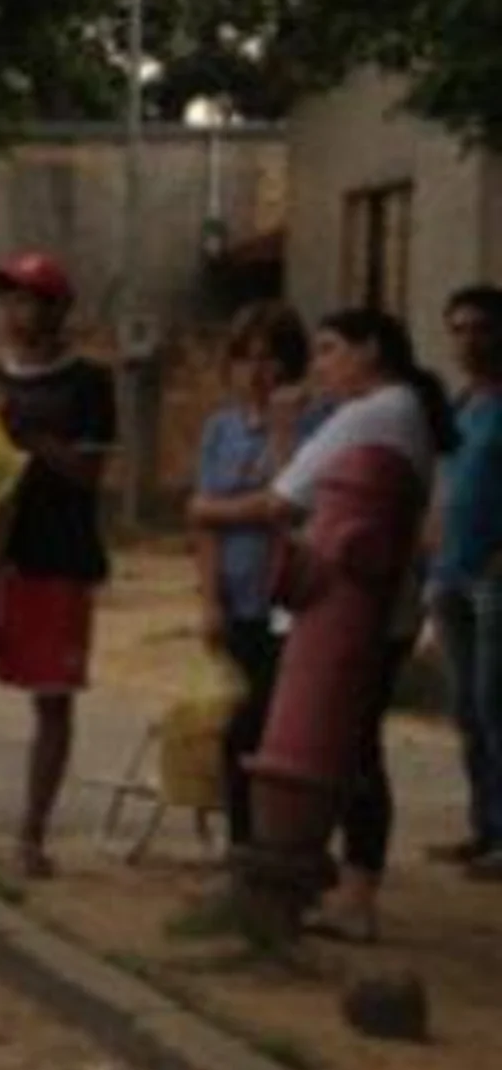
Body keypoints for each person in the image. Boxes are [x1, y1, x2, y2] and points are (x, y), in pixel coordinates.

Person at [194, 308, 450, 940]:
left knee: (338, 744)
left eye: (332, 350)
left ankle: (334, 884)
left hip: (348, 605)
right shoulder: (397, 412)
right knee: (344, 742)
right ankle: (330, 880)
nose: (322, 367)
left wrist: (209, 507)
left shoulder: (369, 415)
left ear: (372, 352)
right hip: (360, 604)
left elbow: (283, 499)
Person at [0, 249, 114, 879]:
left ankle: (33, 831)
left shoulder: (87, 384)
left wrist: (25, 434)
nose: (15, 312)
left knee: (51, 696)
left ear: (57, 309)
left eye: (28, 299)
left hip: (55, 554)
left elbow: (89, 472)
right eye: (8, 300)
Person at [184, 304, 317, 849]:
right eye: (247, 359)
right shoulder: (221, 428)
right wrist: (210, 600)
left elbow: (291, 503)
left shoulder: (313, 424)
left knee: (275, 720)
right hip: (235, 595)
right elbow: (200, 517)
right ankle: (242, 840)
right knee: (237, 720)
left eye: (271, 360)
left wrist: (228, 506)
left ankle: (281, 840)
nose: (258, 373)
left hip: (288, 595)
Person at [431, 287, 502, 872]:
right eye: (458, 330)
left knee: (494, 701)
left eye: (480, 328)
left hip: (493, 575)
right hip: (449, 573)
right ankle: (484, 826)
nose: (468, 341)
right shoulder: (460, 406)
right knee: (466, 707)